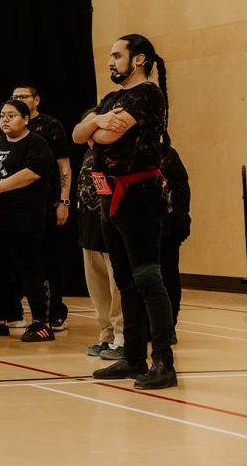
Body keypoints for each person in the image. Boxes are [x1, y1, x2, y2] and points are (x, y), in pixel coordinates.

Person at [74, 34, 176, 390]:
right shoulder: (111, 100)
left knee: (148, 278)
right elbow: (78, 134)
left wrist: (95, 128)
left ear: (138, 60)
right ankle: (133, 357)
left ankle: (163, 361)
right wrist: (97, 122)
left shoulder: (147, 94)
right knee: (125, 281)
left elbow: (103, 138)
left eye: (117, 55)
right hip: (110, 196)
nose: (110, 61)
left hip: (140, 197)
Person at [0, 99, 56, 343]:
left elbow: (33, 173)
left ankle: (42, 323)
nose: (5, 120)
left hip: (23, 218)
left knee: (29, 269)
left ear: (25, 119)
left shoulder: (36, 143)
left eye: (11, 115)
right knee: (0, 270)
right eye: (2, 115)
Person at [10, 85, 73, 331]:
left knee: (50, 259)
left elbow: (64, 166)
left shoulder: (51, 125)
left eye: (23, 96)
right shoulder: (6, 125)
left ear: (36, 100)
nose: (18, 99)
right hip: (16, 204)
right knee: (16, 259)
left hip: (47, 203)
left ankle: (55, 312)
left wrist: (64, 202)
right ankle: (13, 311)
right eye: (15, 97)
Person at [76, 144, 125, 360]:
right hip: (90, 231)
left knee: (118, 289)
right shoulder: (89, 153)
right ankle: (106, 335)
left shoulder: (118, 152)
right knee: (98, 290)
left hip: (112, 231)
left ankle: (122, 337)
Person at [159, 147, 191, 329]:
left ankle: (169, 324)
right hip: (142, 226)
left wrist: (181, 223)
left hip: (167, 227)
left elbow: (182, 190)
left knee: (168, 275)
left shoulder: (168, 154)